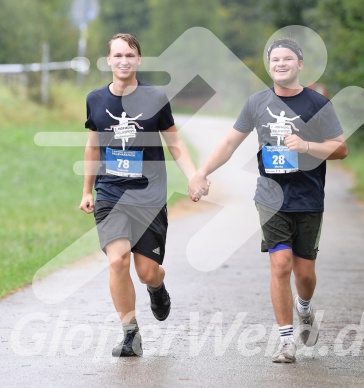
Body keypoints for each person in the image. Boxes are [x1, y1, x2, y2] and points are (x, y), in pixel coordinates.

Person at [188, 38, 347, 363]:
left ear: (300, 65)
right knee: (280, 265)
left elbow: (341, 149)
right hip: (271, 198)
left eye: (287, 59)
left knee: (304, 275)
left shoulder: (317, 104)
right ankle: (286, 341)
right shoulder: (257, 103)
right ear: (269, 65)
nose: (280, 64)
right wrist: (201, 171)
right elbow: (230, 143)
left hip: (308, 198)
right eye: (275, 60)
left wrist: (305, 147)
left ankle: (304, 308)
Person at [79, 33, 206, 357]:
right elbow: (93, 146)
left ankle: (156, 287)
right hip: (111, 193)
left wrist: (193, 176)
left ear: (138, 60)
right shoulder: (95, 99)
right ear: (108, 60)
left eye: (130, 55)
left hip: (148, 196)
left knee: (147, 271)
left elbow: (175, 143)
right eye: (117, 55)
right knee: (118, 261)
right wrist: (86, 190)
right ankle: (130, 333)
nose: (123, 60)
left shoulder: (155, 98)